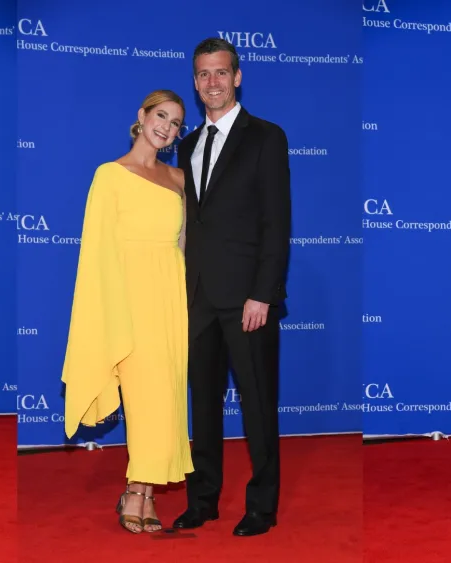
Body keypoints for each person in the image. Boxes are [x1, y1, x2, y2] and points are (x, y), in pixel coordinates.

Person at [173, 37, 291, 537]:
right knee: (201, 407)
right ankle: (203, 500)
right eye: (203, 74)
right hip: (197, 298)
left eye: (221, 73)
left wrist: (263, 293)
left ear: (237, 77)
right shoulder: (186, 144)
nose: (212, 83)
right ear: (195, 81)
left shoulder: (266, 136)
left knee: (258, 407)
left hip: (248, 300)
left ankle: (262, 507)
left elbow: (276, 221)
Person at [61, 90, 193, 534]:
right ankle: (139, 490)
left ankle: (143, 491)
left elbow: (183, 246)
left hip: (170, 299)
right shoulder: (110, 175)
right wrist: (109, 312)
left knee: (166, 399)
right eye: (161, 116)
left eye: (176, 123)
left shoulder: (178, 178)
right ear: (141, 116)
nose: (167, 128)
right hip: (128, 300)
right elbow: (96, 252)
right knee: (144, 399)